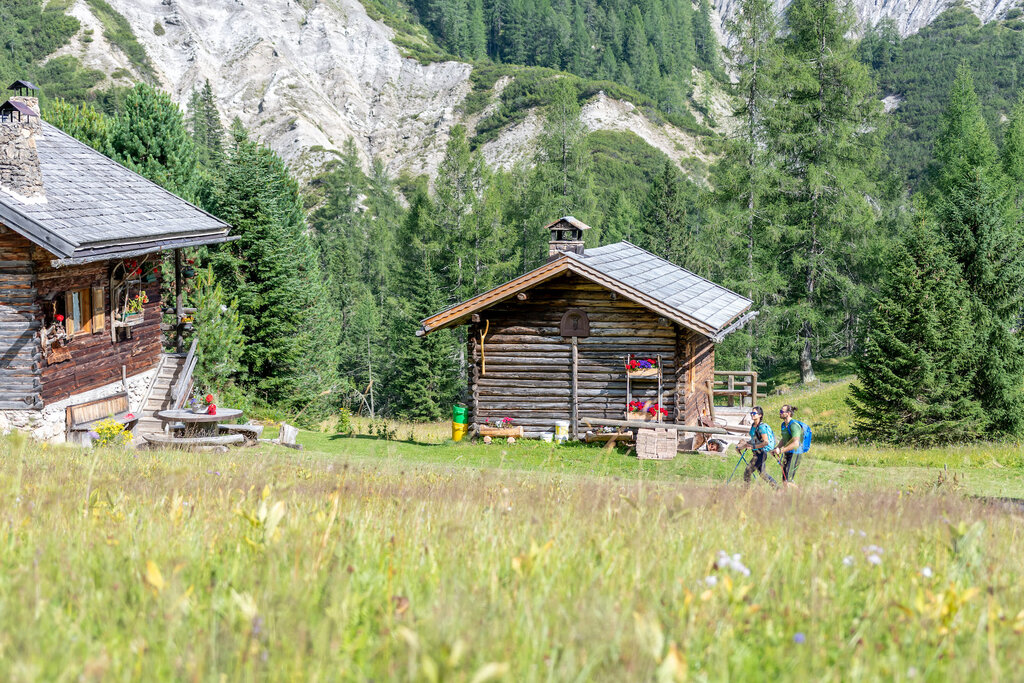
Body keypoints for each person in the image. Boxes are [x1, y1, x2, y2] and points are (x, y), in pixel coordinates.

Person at [737, 406, 776, 486]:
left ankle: (745, 490)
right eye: (751, 413)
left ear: (760, 415)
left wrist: (753, 447)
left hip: (761, 453)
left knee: (747, 472)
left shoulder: (761, 427)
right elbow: (753, 440)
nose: (752, 414)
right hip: (756, 453)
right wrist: (742, 446)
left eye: (754, 413)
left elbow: (765, 442)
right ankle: (777, 488)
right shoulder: (753, 425)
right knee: (762, 474)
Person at [772, 404, 804, 486]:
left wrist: (781, 450)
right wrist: (776, 448)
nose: (780, 413)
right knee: (784, 480)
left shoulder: (794, 425)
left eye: (782, 411)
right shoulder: (783, 425)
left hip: (795, 454)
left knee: (788, 481)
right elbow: (784, 439)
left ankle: (801, 493)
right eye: (780, 411)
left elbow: (796, 443)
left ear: (788, 413)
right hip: (787, 454)